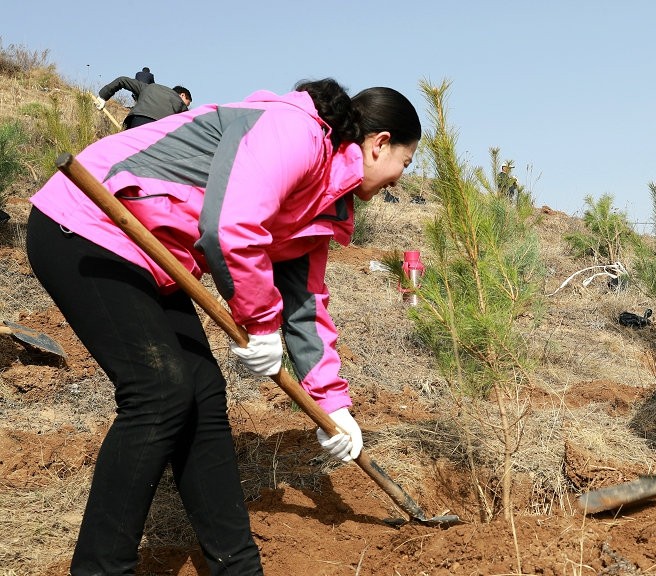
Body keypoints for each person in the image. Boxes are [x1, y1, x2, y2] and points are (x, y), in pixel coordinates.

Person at [27, 78, 420, 575]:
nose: (399, 179)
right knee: (160, 390)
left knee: (204, 393)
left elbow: (305, 305)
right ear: (380, 143)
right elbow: (230, 227)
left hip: (153, 256)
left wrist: (333, 405)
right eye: (406, 162)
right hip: (88, 220)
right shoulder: (294, 131)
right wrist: (260, 324)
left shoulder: (324, 205)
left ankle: (238, 568)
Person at [95, 76, 192, 128]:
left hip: (134, 121)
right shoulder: (180, 103)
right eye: (187, 103)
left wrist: (103, 96)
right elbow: (187, 126)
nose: (186, 106)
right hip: (158, 129)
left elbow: (122, 80)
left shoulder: (149, 87)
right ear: (182, 95)